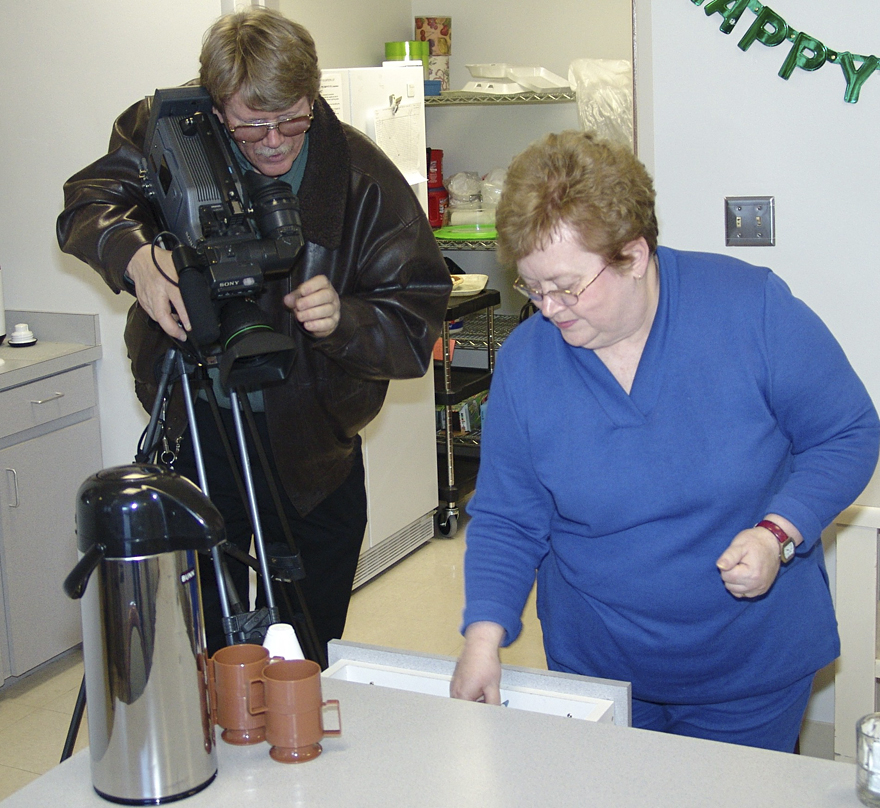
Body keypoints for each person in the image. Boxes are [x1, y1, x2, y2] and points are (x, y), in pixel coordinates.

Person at [449, 130, 880, 752]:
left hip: (748, 665)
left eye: (567, 287)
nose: (549, 309)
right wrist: (483, 638)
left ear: (634, 254)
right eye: (532, 288)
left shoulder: (748, 309)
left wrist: (778, 532)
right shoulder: (528, 363)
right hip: (600, 669)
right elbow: (509, 517)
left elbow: (847, 432)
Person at [57, 8, 451, 658]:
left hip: (310, 451)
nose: (273, 142)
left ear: (313, 96)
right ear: (216, 107)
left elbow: (416, 320)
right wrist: (135, 257)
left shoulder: (359, 175)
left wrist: (345, 319)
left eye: (292, 120)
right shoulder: (166, 127)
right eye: (250, 125)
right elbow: (87, 202)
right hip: (197, 428)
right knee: (205, 648)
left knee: (303, 651)